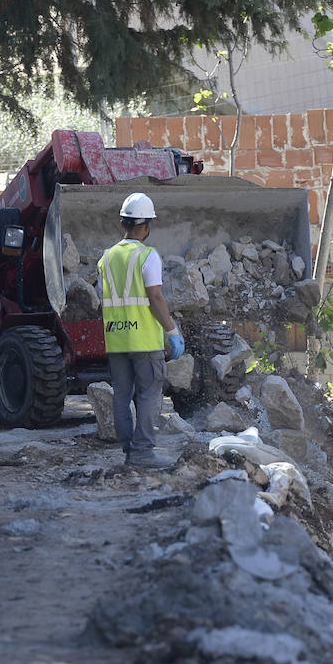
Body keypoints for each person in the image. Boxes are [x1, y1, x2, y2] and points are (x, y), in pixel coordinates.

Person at [98, 192, 185, 470]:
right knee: (149, 393)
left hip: (116, 339)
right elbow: (155, 297)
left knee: (122, 396)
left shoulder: (107, 258)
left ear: (122, 224)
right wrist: (171, 330)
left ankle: (129, 451)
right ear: (147, 227)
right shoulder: (148, 256)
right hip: (144, 341)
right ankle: (143, 452)